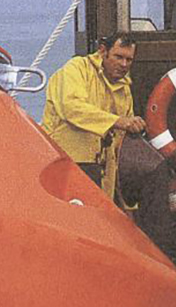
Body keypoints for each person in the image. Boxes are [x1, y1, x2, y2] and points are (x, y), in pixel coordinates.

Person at [41, 32, 146, 198]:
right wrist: (118, 121)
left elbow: (121, 139)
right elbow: (72, 108)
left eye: (129, 60)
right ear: (103, 51)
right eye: (118, 57)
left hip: (102, 169)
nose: (124, 64)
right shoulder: (76, 69)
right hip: (66, 162)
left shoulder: (124, 88)